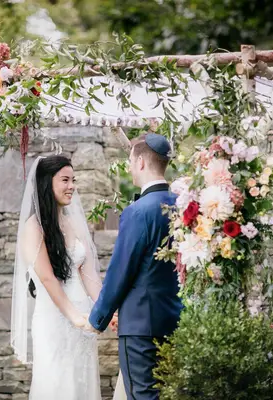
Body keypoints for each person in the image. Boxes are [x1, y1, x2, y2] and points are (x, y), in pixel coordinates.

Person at [88, 133, 183, 400]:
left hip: (141, 327)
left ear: (141, 162)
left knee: (143, 396)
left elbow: (121, 271)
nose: (129, 167)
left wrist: (98, 319)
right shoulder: (183, 206)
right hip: (174, 319)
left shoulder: (138, 211)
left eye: (130, 161)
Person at [11, 155, 110, 400]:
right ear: (46, 183)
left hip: (84, 317)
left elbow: (88, 274)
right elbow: (47, 279)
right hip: (54, 319)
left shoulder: (72, 223)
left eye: (73, 180)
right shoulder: (33, 228)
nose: (71, 186)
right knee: (57, 384)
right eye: (65, 180)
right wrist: (75, 318)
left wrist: (105, 309)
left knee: (82, 383)